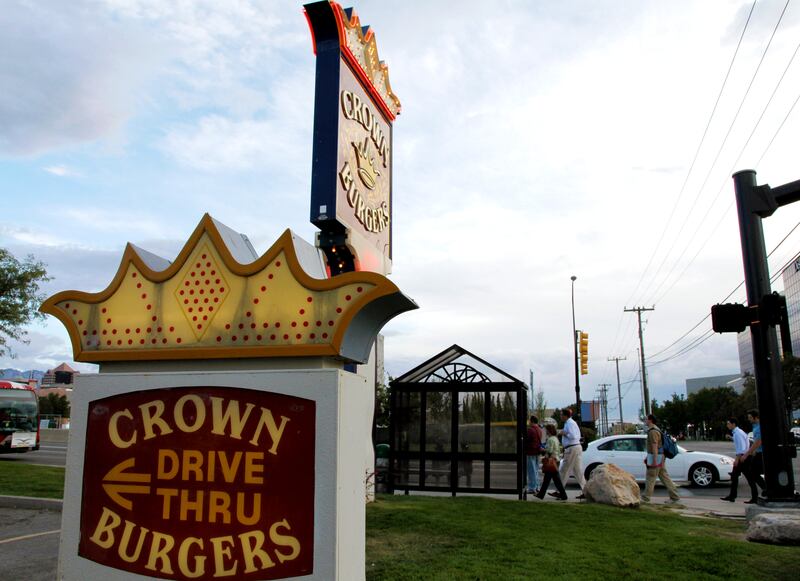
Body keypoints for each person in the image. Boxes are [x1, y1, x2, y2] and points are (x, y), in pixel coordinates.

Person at [642, 414, 681, 504]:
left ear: (650, 420)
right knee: (664, 477)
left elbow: (655, 445)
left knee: (650, 476)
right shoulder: (656, 429)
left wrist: (654, 460)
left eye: (646, 419)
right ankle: (674, 497)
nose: (645, 421)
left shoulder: (653, 431)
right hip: (660, 456)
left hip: (657, 456)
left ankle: (645, 498)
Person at [720, 417, 756, 502]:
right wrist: (731, 438)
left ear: (733, 424)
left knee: (748, 478)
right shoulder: (738, 432)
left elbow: (741, 448)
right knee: (735, 476)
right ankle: (732, 496)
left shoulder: (737, 434)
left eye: (728, 423)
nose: (727, 425)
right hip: (744, 457)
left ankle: (754, 497)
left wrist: (737, 459)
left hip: (743, 458)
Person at [555, 407, 585, 499]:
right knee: (578, 472)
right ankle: (586, 491)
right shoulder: (570, 423)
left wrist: (564, 433)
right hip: (575, 447)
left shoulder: (569, 423)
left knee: (564, 470)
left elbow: (573, 436)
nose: (560, 416)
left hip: (572, 448)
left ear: (565, 415)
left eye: (561, 415)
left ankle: (560, 491)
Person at [739, 409, 767, 504]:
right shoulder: (755, 426)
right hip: (758, 452)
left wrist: (747, 454)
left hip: (761, 453)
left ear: (756, 417)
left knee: (753, 472)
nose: (749, 419)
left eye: (750, 417)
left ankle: (765, 488)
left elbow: (758, 442)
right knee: (753, 472)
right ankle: (764, 489)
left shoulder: (759, 427)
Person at [536, 424, 567, 500]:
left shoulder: (550, 439)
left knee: (549, 480)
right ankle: (562, 495)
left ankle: (541, 494)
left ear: (549, 431)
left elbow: (549, 451)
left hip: (551, 461)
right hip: (555, 460)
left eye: (546, 430)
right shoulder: (555, 438)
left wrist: (542, 449)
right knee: (555, 480)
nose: (545, 432)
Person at [525, 415, 543, 494]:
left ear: (531, 421)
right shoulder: (539, 429)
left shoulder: (530, 430)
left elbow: (527, 439)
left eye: (529, 420)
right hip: (537, 451)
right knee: (536, 470)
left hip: (531, 451)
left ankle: (532, 488)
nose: (529, 422)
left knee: (531, 470)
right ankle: (537, 486)